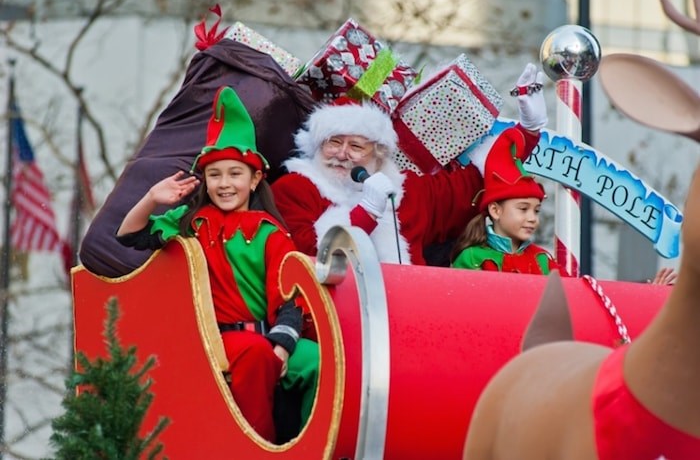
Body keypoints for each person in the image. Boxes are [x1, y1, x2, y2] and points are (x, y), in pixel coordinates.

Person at [116, 86, 318, 444]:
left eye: (235, 174)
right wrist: (151, 198)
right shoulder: (189, 222)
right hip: (211, 337)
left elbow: (290, 299)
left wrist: (282, 348)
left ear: (255, 179)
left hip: (268, 336)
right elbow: (129, 235)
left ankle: (314, 445)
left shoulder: (272, 234)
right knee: (255, 355)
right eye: (215, 175)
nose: (225, 184)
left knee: (324, 362)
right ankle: (257, 446)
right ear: (205, 181)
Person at [272, 64, 548, 265]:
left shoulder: (409, 192)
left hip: (411, 318)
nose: (342, 154)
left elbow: (476, 182)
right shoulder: (295, 188)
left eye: (356, 146)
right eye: (333, 142)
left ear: (379, 155)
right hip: (334, 326)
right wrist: (365, 212)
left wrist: (528, 131)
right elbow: (307, 257)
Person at [450, 126, 562, 275]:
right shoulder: (471, 259)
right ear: (495, 210)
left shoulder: (543, 260)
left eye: (536, 211)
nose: (532, 218)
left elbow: (569, 295)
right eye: (523, 209)